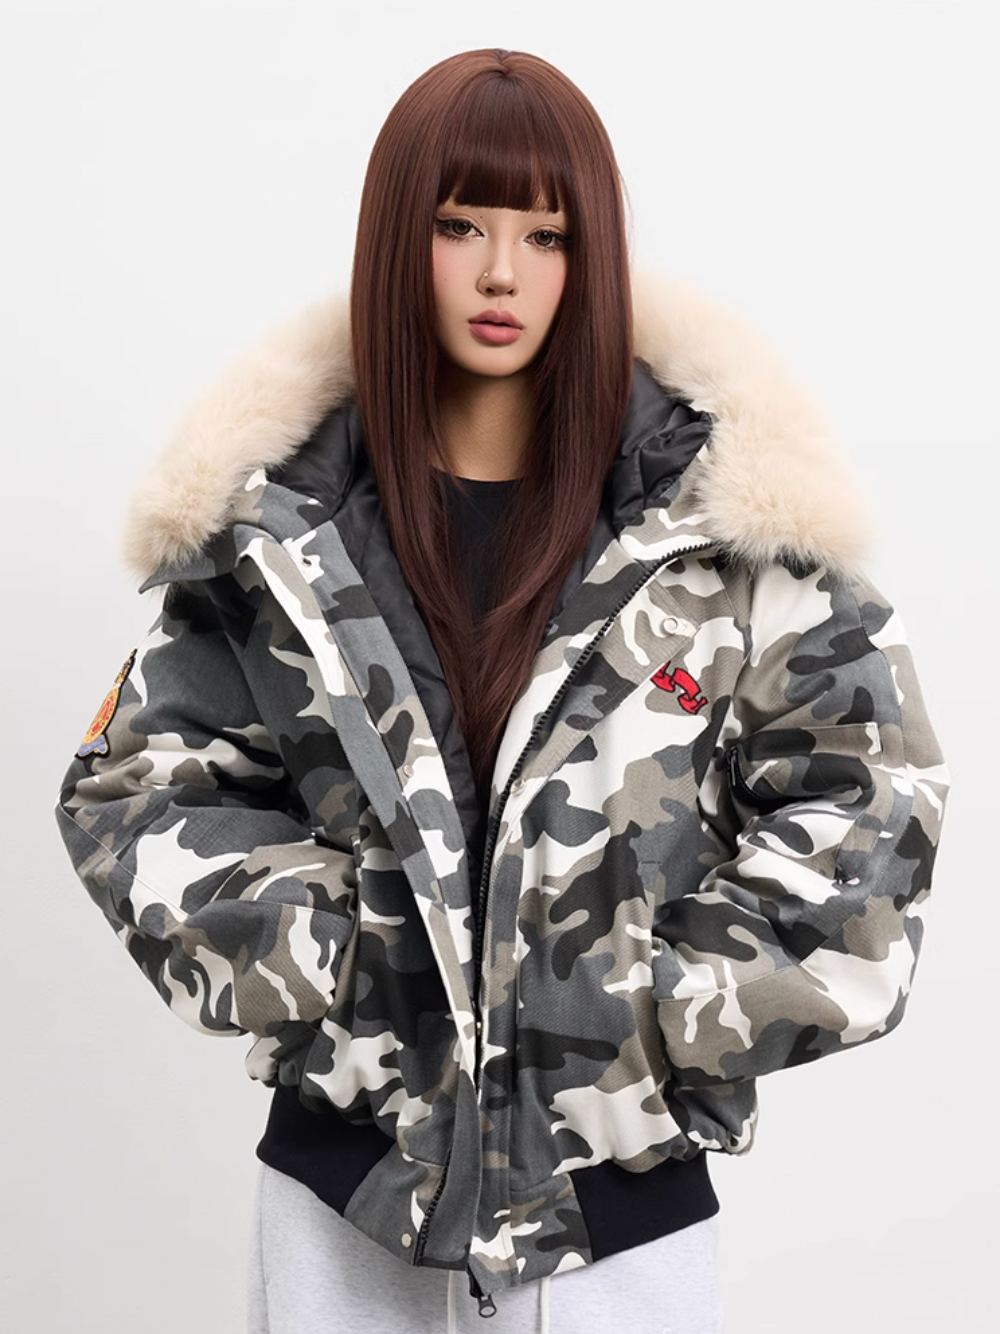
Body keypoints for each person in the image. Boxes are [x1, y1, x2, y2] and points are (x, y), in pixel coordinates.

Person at [55, 48, 948, 1334]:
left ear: (592, 258)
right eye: (458, 224)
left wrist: (653, 1001)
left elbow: (874, 799)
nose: (499, 273)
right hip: (345, 1200)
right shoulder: (284, 533)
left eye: (547, 233)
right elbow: (135, 787)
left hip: (621, 1214)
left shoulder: (717, 531)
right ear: (394, 242)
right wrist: (336, 955)